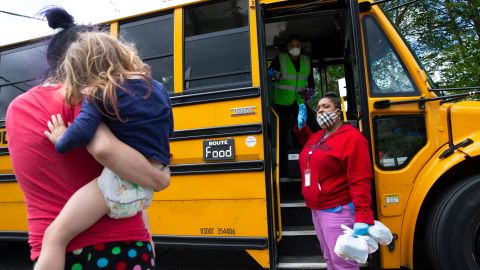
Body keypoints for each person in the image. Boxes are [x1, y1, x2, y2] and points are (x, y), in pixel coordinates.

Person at [6, 7, 169, 269]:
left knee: (54, 238)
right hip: (124, 248)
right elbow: (113, 156)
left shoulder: (16, 109)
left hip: (60, 254)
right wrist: (160, 177)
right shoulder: (93, 97)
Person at [295, 92, 374, 270]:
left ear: (338, 111)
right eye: (318, 108)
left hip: (337, 211)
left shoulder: (352, 138)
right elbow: (311, 151)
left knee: (343, 264)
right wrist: (302, 129)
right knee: (330, 260)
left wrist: (363, 216)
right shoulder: (317, 136)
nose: (321, 110)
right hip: (317, 210)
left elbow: (360, 179)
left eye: (326, 106)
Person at [268, 34, 318, 177]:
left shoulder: (306, 61)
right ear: (287, 47)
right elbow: (270, 74)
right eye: (292, 45)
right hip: (282, 103)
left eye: (297, 45)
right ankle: (282, 169)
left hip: (299, 102)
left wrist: (308, 93)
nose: (295, 48)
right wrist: (273, 74)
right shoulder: (281, 58)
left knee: (312, 128)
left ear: (301, 47)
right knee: (282, 134)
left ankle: (314, 161)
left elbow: (311, 83)